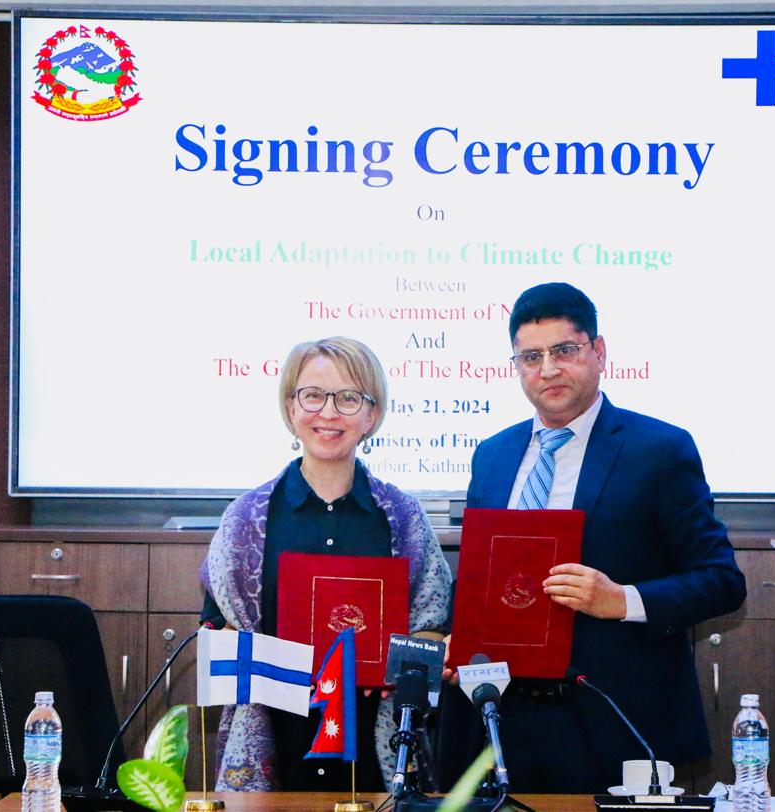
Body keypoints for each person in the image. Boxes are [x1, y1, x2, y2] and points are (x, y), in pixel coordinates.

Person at [438, 283, 746, 793]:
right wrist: (459, 636)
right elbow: (481, 576)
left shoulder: (659, 449)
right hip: (500, 723)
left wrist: (621, 600)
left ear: (598, 352)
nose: (548, 370)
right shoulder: (492, 455)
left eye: (564, 350)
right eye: (531, 357)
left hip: (610, 721)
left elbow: (721, 582)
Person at [200, 336, 452, 792]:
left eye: (349, 398)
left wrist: (398, 669)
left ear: (372, 415)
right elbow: (215, 636)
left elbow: (433, 631)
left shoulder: (404, 518)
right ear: (291, 407)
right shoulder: (245, 520)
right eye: (313, 395)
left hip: (377, 758)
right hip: (274, 751)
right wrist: (288, 668)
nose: (329, 412)